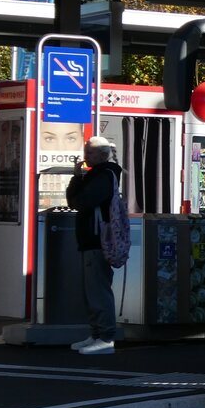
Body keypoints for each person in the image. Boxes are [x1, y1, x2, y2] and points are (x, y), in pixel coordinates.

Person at [65, 136, 123, 356]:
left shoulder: (104, 176)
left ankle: (106, 337)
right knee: (92, 289)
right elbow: (75, 201)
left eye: (90, 152)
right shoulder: (97, 175)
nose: (86, 156)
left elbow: (81, 202)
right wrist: (78, 177)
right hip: (92, 238)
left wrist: (79, 181)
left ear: (102, 154)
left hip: (98, 239)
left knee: (98, 289)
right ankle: (97, 333)